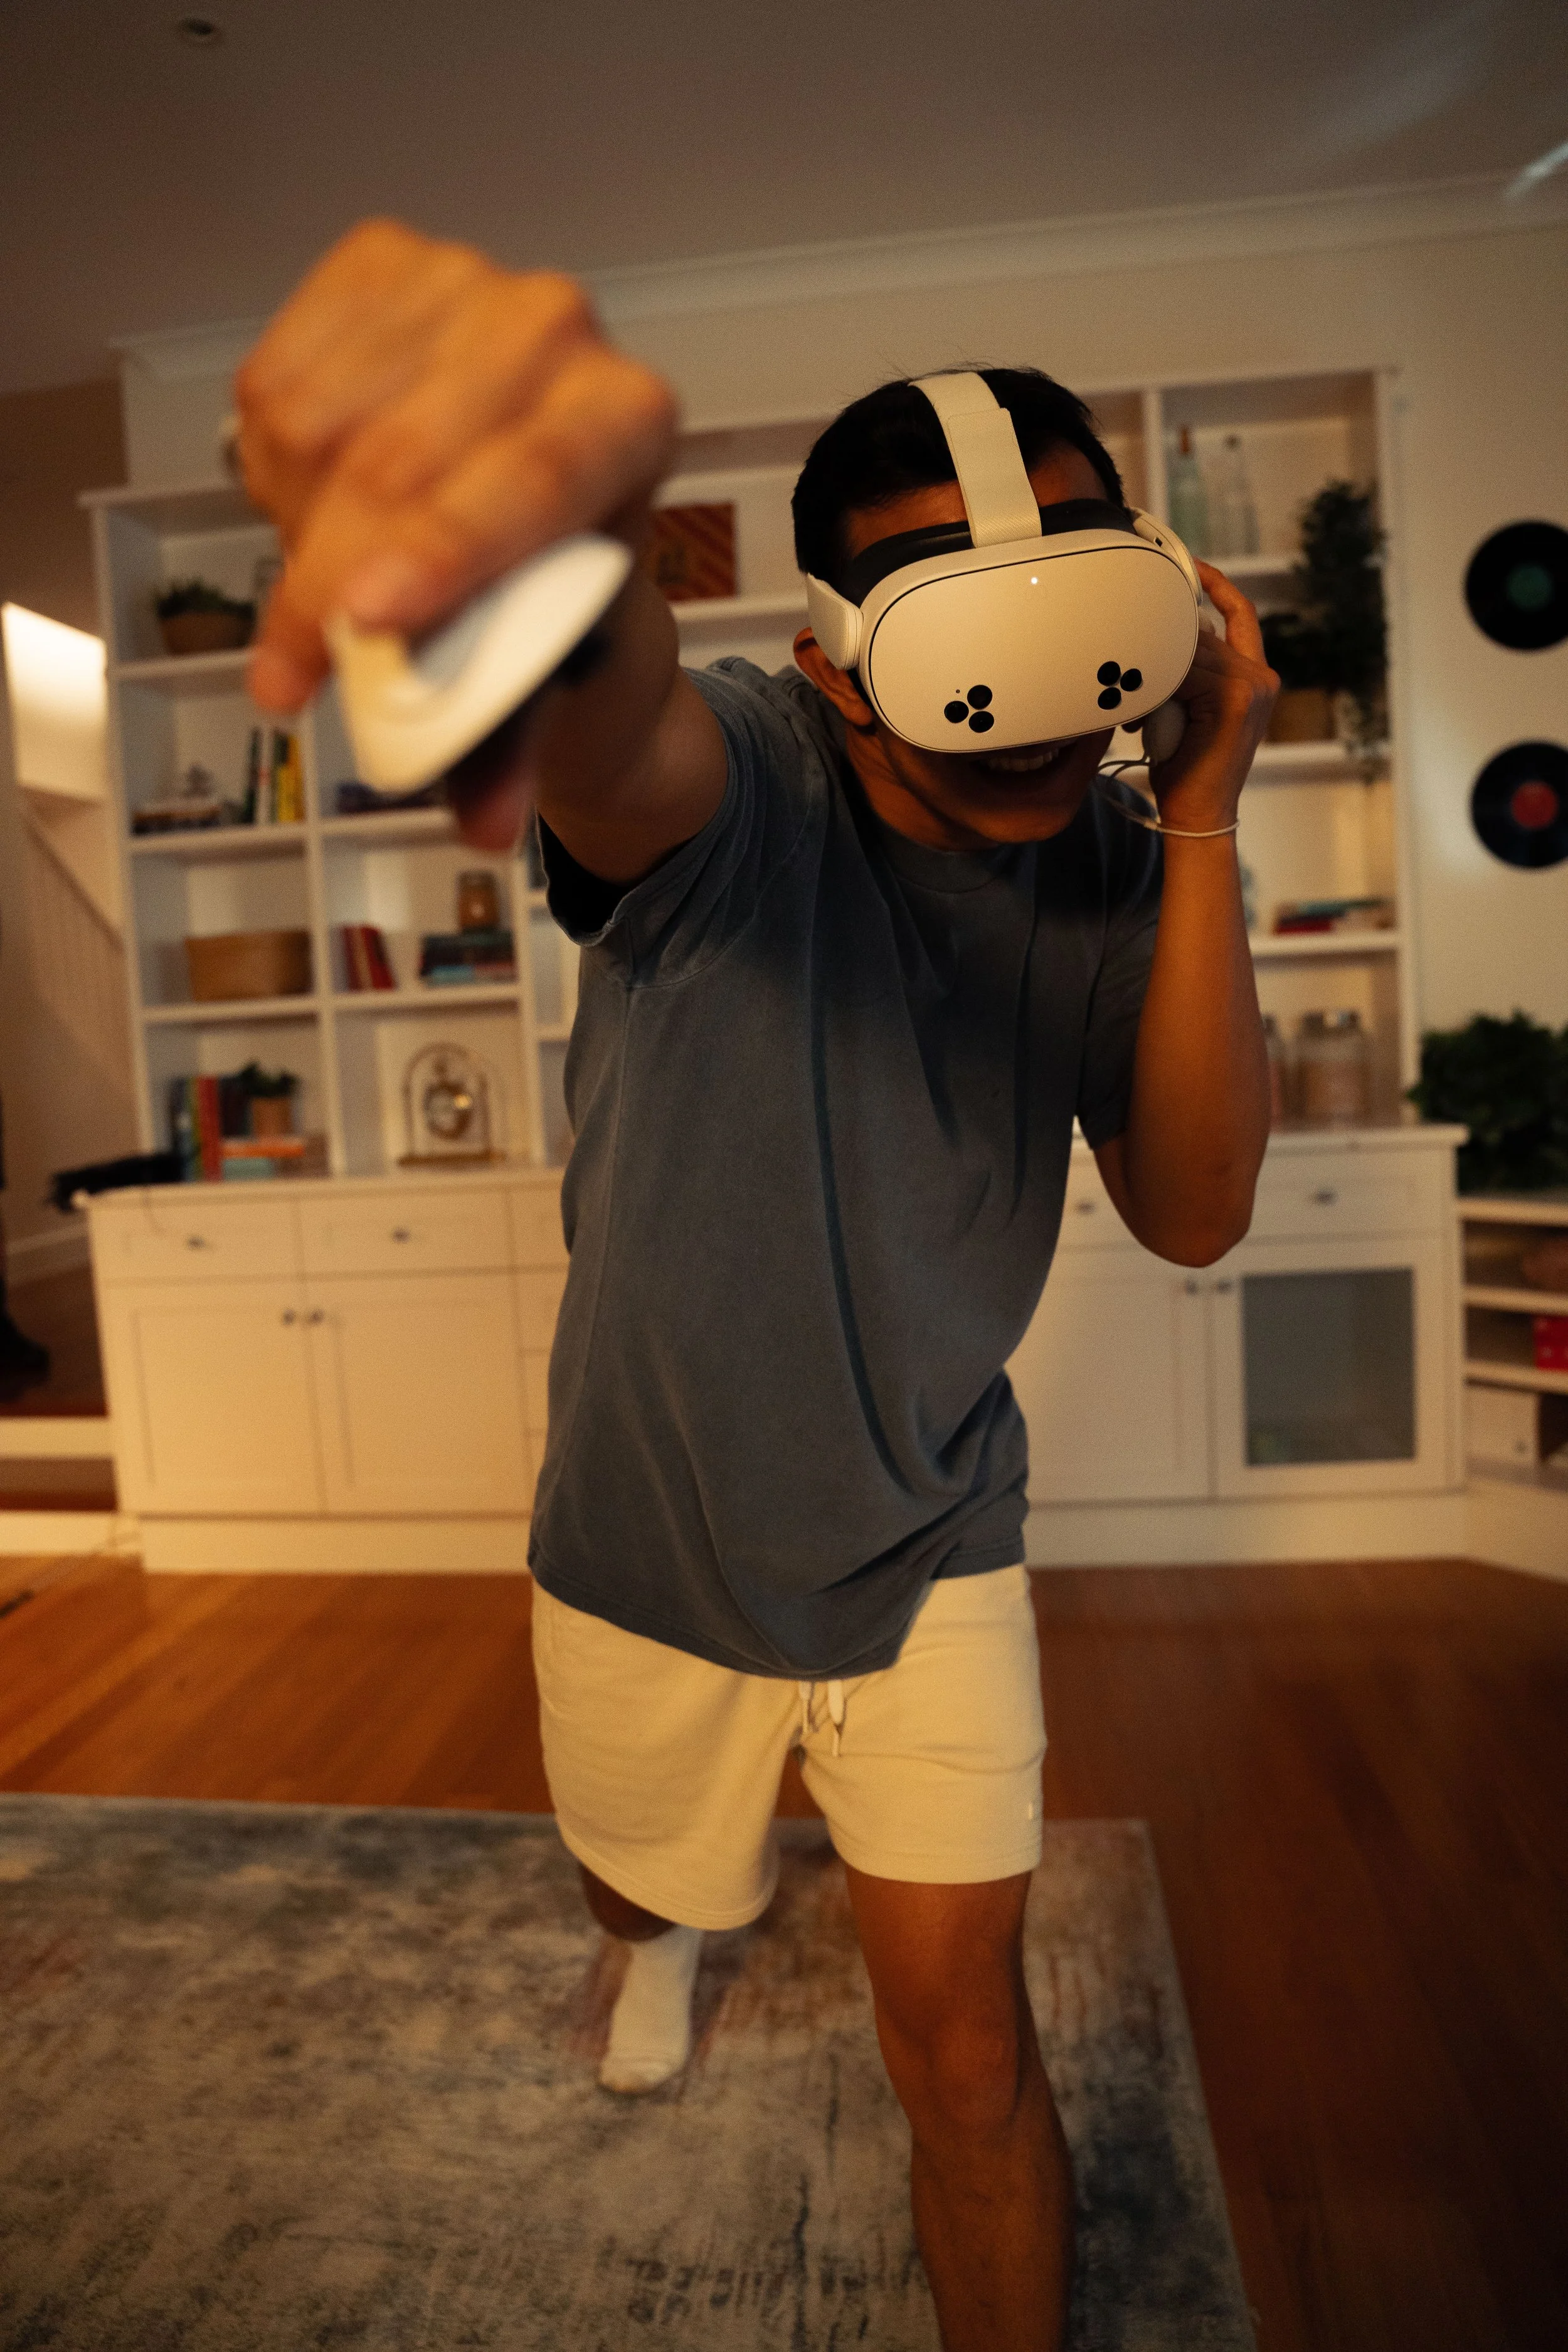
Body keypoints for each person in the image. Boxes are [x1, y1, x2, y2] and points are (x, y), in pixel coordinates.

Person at [234, 221, 1274, 2352]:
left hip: (927, 1537)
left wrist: (1200, 822)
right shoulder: (732, 774)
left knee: (968, 2052)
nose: (1030, 718)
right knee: (642, 1877)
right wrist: (542, 540)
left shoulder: (1102, 852)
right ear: (824, 652)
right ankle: (654, 1930)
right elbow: (608, 723)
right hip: (648, 1526)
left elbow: (1190, 1209)